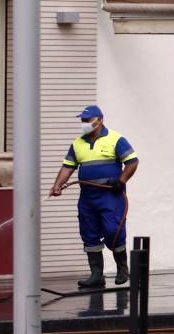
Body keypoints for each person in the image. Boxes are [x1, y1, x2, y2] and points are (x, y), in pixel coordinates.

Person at [49, 105, 139, 288]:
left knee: (113, 231)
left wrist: (121, 181)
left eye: (88, 120)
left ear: (100, 120)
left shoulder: (116, 139)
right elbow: (68, 166)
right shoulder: (77, 144)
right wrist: (57, 185)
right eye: (83, 120)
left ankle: (123, 269)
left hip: (111, 195)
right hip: (88, 197)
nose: (85, 124)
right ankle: (96, 275)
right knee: (89, 234)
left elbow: (132, 162)